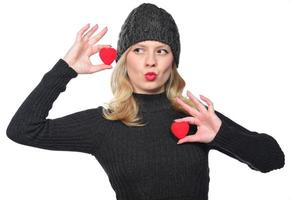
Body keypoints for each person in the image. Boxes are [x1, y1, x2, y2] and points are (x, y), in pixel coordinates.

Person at [6, 3, 285, 200]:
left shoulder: (195, 117)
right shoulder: (105, 122)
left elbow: (273, 159)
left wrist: (222, 134)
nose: (151, 60)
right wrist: (66, 68)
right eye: (139, 50)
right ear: (124, 59)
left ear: (173, 61)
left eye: (161, 50)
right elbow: (22, 129)